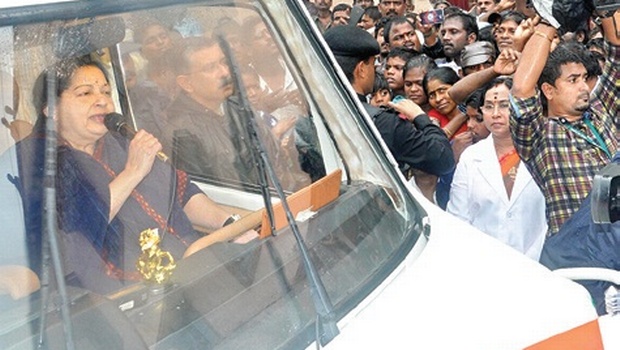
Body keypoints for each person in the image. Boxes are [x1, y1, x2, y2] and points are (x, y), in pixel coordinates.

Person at [13, 56, 252, 294]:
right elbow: (75, 236)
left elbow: (181, 191)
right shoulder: (36, 158)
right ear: (51, 109)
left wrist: (230, 225)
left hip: (188, 266)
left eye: (106, 92)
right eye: (85, 93)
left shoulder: (118, 140)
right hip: (116, 296)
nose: (102, 101)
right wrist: (133, 172)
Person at [510, 14, 619, 236]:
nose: (584, 87)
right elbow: (521, 91)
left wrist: (607, 8)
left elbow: (617, 54)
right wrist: (550, 18)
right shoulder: (539, 134)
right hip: (580, 253)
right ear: (549, 90)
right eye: (573, 80)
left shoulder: (601, 109)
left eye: (584, 78)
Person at [164, 37, 313, 190]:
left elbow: (275, 160)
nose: (224, 72)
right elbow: (204, 195)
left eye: (224, 62)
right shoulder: (180, 132)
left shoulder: (240, 107)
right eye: (210, 68)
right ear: (186, 83)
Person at [324, 25, 454, 178]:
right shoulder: (384, 123)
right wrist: (421, 118)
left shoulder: (314, 115)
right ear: (361, 69)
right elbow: (443, 160)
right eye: (372, 65)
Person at [447, 77, 546, 260]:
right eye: (489, 106)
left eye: (504, 105)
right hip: (484, 264)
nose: (495, 114)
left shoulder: (543, 151)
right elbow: (458, 218)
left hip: (539, 262)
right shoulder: (471, 157)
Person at [423, 67, 468, 139]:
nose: (438, 99)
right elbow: (436, 141)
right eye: (432, 95)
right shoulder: (433, 116)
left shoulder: (473, 113)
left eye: (442, 90)